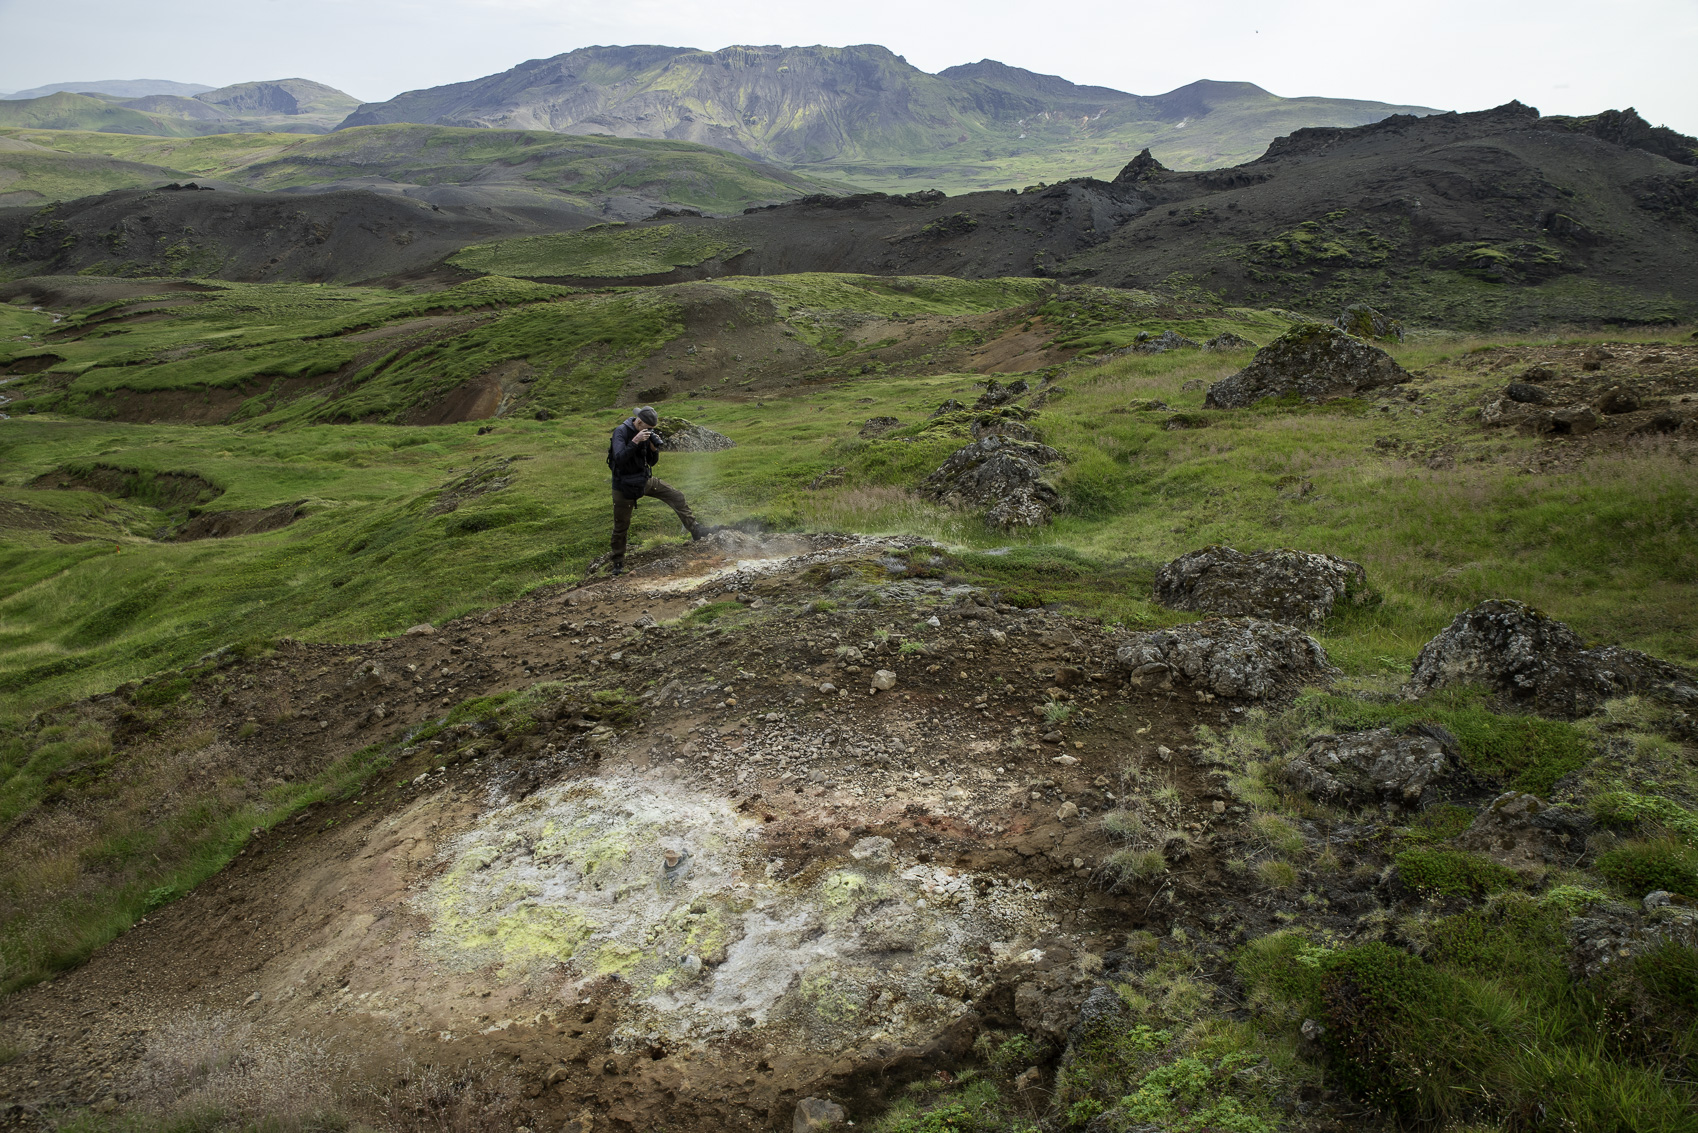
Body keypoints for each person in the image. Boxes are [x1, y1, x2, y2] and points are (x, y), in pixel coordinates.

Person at [607, 406, 705, 576]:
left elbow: (651, 463)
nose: (649, 431)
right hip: (623, 486)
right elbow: (619, 458)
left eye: (652, 429)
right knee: (621, 525)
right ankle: (618, 562)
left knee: (676, 496)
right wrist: (635, 441)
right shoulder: (621, 432)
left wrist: (653, 448)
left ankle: (696, 531)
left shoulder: (645, 433)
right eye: (648, 428)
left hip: (644, 481)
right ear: (639, 422)